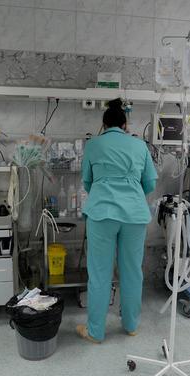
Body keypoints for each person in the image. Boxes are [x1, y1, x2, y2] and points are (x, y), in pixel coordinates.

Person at [76, 98, 158, 343]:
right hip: (134, 215)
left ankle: (96, 331)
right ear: (125, 124)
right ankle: (131, 325)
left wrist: (105, 192)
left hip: (102, 214)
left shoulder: (93, 145)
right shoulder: (139, 146)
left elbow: (87, 182)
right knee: (132, 272)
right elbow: (149, 183)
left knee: (100, 274)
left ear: (104, 124)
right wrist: (131, 195)